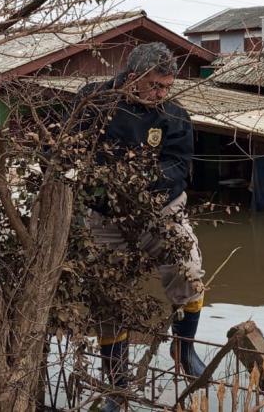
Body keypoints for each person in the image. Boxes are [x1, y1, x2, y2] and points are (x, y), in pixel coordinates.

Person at [75, 42, 206, 410]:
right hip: (105, 215)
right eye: (156, 86)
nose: (162, 94)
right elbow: (71, 149)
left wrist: (141, 188)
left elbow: (179, 168)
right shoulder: (93, 101)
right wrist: (105, 188)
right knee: (107, 294)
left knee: (188, 270)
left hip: (161, 210)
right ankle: (117, 385)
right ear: (133, 78)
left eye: (168, 87)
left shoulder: (175, 116)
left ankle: (184, 348)